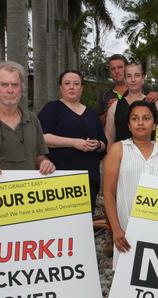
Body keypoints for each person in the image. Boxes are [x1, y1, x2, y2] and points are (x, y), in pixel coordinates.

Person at [103, 100, 158, 268]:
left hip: (156, 231)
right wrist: (116, 229)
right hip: (125, 232)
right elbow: (108, 193)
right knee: (125, 281)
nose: (140, 122)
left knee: (154, 278)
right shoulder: (118, 149)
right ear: (128, 125)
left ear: (154, 124)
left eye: (146, 118)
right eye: (135, 118)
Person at [38, 69, 107, 208]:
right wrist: (73, 142)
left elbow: (104, 143)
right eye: (67, 83)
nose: (71, 87)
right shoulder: (52, 108)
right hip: (60, 177)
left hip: (89, 178)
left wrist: (97, 144)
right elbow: (42, 138)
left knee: (85, 223)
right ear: (60, 87)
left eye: (76, 83)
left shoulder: (91, 113)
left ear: (81, 88)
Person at [105, 62, 158, 147]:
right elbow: (109, 137)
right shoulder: (114, 106)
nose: (133, 79)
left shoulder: (157, 104)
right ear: (125, 80)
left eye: (137, 75)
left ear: (143, 78)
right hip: (122, 158)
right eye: (129, 76)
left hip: (150, 158)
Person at [97, 54, 158, 126]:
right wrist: (108, 111)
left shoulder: (144, 88)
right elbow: (97, 124)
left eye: (120, 67)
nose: (116, 71)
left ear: (126, 68)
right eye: (113, 69)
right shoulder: (105, 95)